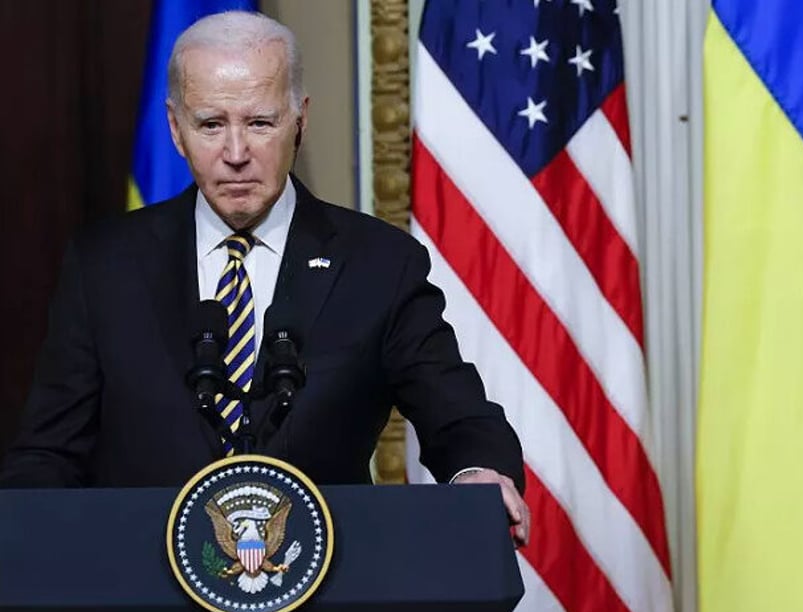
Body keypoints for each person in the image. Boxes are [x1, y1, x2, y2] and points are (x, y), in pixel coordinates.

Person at [0, 11, 529, 546]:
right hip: (142, 591)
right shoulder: (105, 265)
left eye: (259, 123)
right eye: (210, 124)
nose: (235, 154)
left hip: (325, 593)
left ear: (300, 119)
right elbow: (48, 452)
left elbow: (461, 419)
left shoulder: (379, 264)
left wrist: (478, 472)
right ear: (175, 129)